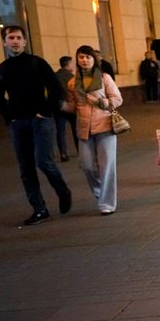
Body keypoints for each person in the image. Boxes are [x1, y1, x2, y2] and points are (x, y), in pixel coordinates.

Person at [0, 26, 72, 226]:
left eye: (19, 38)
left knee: (43, 162)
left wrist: (45, 111)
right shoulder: (1, 69)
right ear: (5, 42)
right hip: (18, 123)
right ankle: (39, 209)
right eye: (11, 38)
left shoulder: (37, 63)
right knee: (26, 168)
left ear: (25, 41)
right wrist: (9, 117)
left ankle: (62, 190)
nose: (15, 41)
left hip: (40, 121)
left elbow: (56, 89)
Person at [65, 45, 122, 216]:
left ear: (94, 59)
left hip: (104, 126)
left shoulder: (104, 78)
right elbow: (72, 105)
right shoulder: (73, 82)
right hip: (84, 129)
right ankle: (101, 193)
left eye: (87, 57)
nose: (84, 60)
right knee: (87, 166)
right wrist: (60, 105)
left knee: (107, 167)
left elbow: (117, 99)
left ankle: (107, 203)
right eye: (81, 57)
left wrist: (102, 102)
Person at [54, 55, 78, 161]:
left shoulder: (55, 76)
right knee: (75, 129)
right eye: (72, 63)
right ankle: (80, 150)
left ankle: (63, 153)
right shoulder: (72, 77)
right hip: (71, 106)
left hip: (59, 106)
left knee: (60, 130)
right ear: (68, 64)